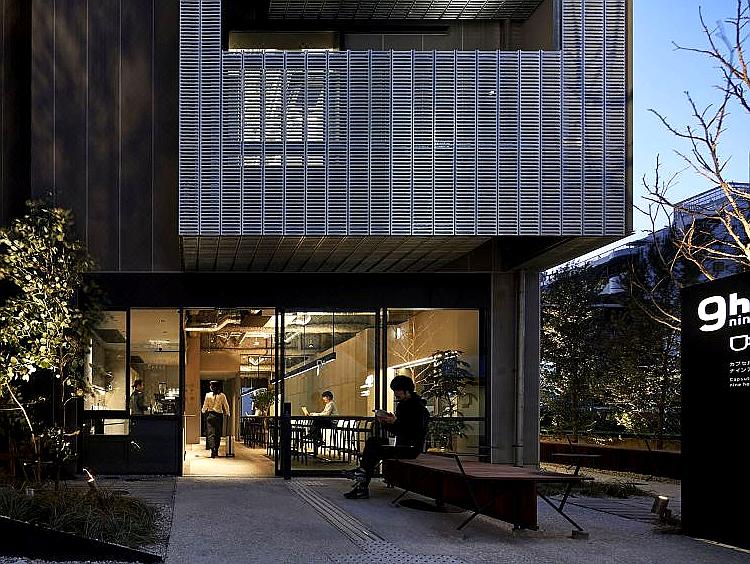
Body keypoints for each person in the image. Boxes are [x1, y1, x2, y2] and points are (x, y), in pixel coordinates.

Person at [343, 375, 429, 499]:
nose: (395, 394)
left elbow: (414, 433)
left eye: (397, 390)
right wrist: (385, 422)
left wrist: (395, 422)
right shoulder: (402, 405)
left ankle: (362, 481)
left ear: (407, 391)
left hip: (410, 448)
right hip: (400, 444)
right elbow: (398, 431)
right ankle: (362, 476)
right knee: (373, 442)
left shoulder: (419, 409)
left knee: (373, 450)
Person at [201, 380, 230, 458]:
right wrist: (228, 413)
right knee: (218, 433)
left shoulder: (208, 395)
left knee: (210, 433)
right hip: (219, 416)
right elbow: (226, 405)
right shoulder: (222, 395)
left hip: (210, 415)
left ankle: (212, 449)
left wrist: (203, 411)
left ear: (212, 387)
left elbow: (205, 405)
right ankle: (216, 449)